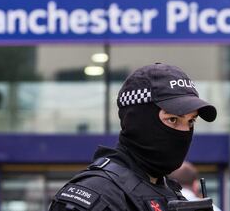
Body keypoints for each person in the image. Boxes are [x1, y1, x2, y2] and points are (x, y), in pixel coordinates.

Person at [49, 63, 217, 211]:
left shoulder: (171, 193)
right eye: (173, 119)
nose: (184, 131)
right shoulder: (93, 197)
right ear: (138, 120)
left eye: (191, 121)